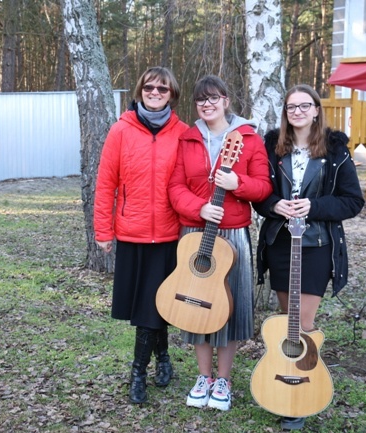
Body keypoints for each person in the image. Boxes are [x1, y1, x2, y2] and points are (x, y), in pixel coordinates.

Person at [252, 84, 365, 430]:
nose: (297, 111)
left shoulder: (335, 150)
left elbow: (352, 201)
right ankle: (284, 382)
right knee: (286, 319)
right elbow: (259, 195)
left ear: (317, 109)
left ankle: (301, 393)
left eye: (304, 106)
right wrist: (275, 205)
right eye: (291, 107)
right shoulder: (273, 147)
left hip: (316, 245)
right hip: (281, 243)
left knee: (302, 324)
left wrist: (314, 206)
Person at [168, 75, 272, 411]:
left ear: (226, 101)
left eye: (213, 98)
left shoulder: (249, 138)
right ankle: (204, 377)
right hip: (195, 233)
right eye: (201, 99)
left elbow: (263, 187)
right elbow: (174, 187)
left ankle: (224, 380)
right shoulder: (187, 138)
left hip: (232, 234)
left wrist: (237, 182)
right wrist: (197, 207)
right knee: (195, 303)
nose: (207, 104)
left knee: (230, 307)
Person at [93, 66, 189, 404]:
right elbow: (105, 184)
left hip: (170, 235)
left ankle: (141, 369)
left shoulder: (184, 133)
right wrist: (103, 230)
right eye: (149, 87)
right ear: (139, 90)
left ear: (172, 94)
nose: (155, 93)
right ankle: (158, 360)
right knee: (148, 304)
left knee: (158, 304)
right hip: (132, 234)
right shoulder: (121, 131)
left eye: (162, 89)